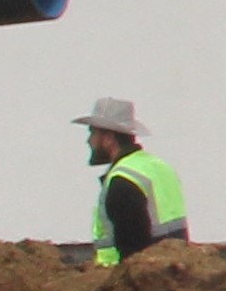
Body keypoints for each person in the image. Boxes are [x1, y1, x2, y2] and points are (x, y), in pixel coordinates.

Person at [79, 98, 188, 266]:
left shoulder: (122, 181)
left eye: (92, 133)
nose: (89, 141)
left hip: (139, 282)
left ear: (108, 137)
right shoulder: (158, 167)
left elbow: (132, 253)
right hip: (175, 274)